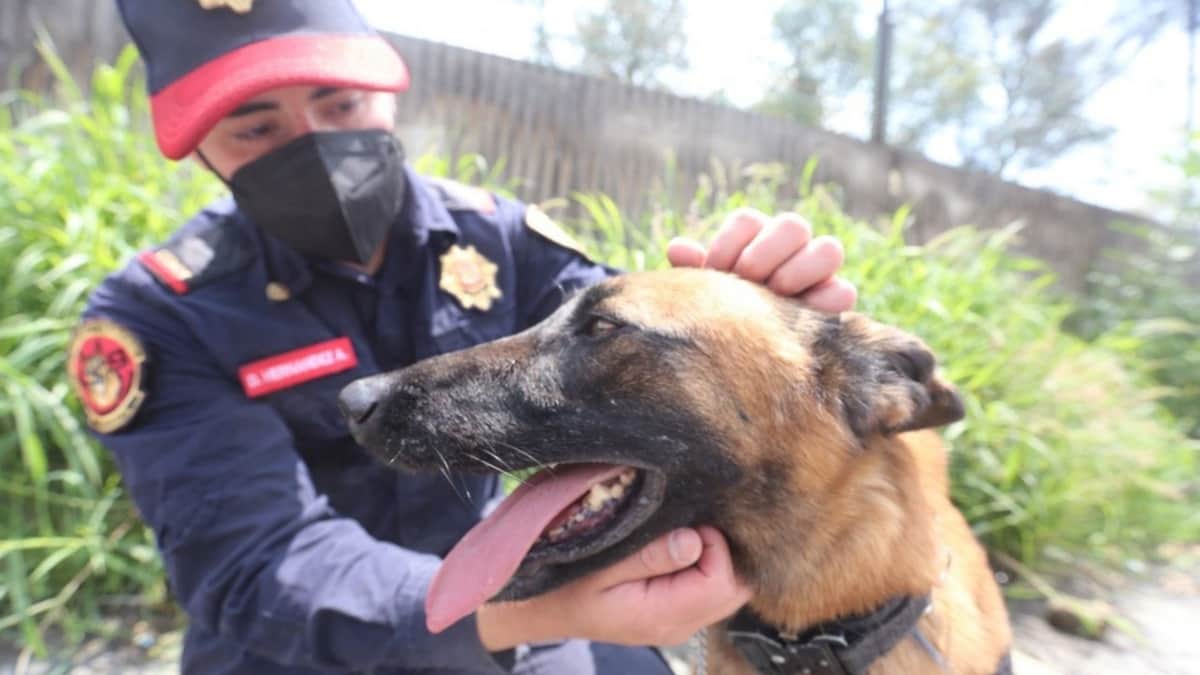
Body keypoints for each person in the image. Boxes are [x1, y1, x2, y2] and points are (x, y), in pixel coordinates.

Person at [68, 1, 857, 673]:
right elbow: (257, 565)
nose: (312, 144)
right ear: (200, 148)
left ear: (384, 86)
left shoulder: (498, 238)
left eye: (339, 103)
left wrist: (756, 315)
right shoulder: (157, 315)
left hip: (517, 606)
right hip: (302, 650)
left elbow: (646, 371)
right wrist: (531, 612)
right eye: (256, 127)